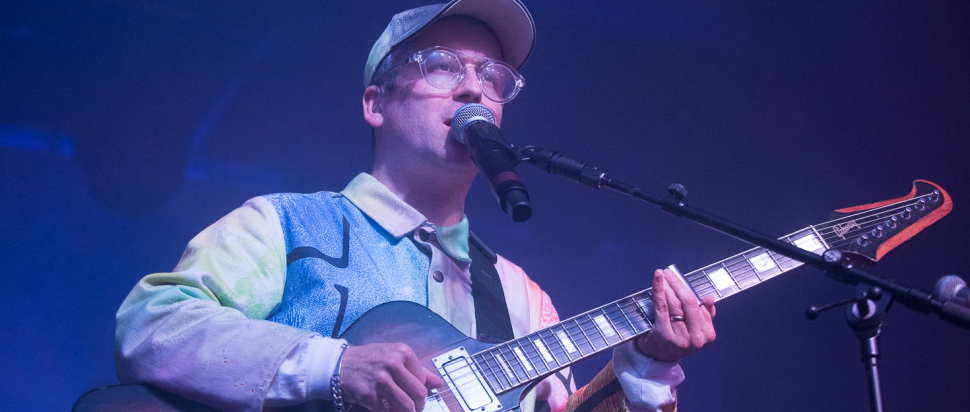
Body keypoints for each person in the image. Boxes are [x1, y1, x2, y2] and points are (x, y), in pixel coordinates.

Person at [113, 1, 717, 411]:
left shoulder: (522, 297)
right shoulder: (283, 224)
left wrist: (648, 368)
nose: (473, 87)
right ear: (376, 103)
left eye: (490, 75)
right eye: (443, 66)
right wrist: (332, 368)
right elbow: (153, 325)